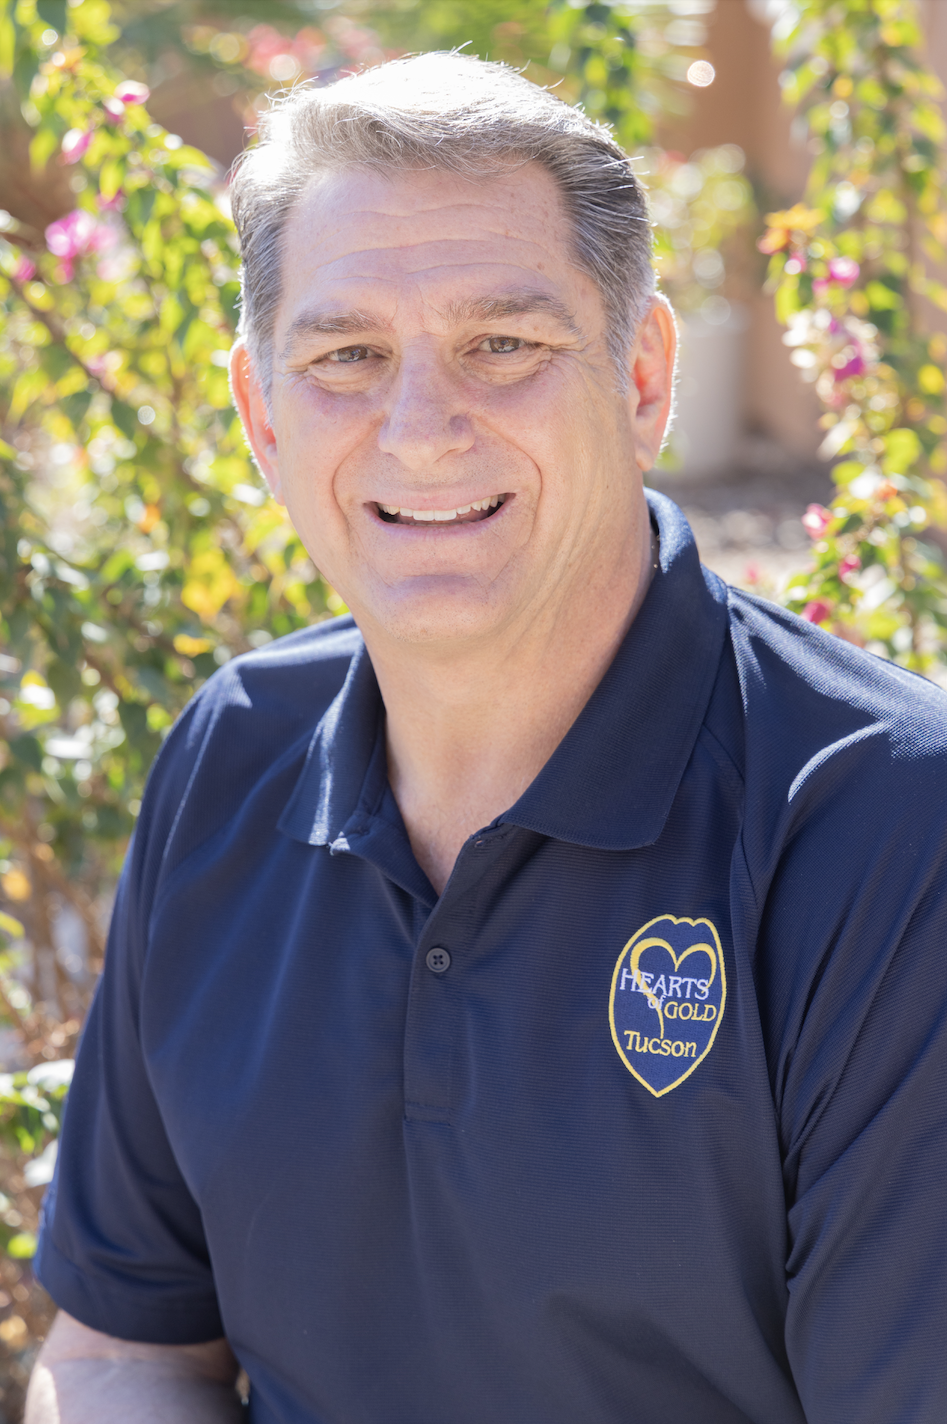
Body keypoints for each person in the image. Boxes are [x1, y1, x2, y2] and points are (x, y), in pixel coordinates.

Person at [26, 53, 946, 1424]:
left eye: (500, 345)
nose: (420, 429)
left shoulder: (882, 829)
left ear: (640, 377)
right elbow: (121, 1353)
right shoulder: (231, 757)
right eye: (346, 356)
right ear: (261, 414)